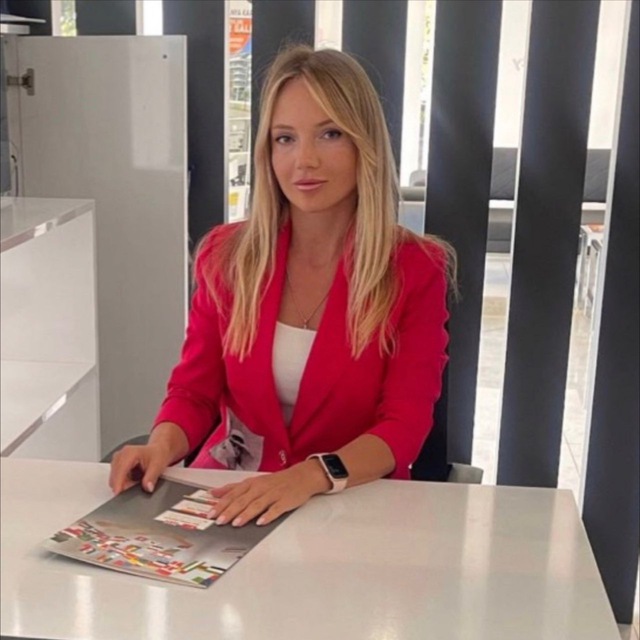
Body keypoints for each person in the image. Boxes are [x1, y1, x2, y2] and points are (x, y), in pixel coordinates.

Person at [109, 44, 454, 528]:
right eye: (285, 138)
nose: (304, 160)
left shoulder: (415, 269)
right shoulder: (227, 256)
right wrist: (160, 445)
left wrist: (308, 476)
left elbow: (403, 426)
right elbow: (194, 392)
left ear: (365, 144)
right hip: (230, 497)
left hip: (350, 509)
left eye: (330, 134)